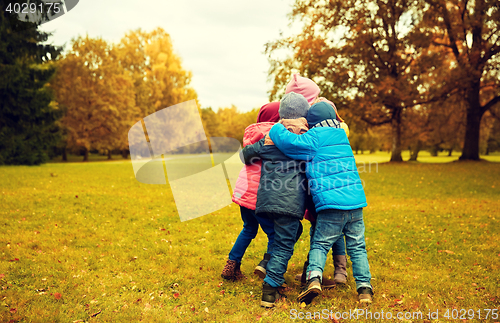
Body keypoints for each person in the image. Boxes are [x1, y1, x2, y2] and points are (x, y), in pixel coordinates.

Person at [268, 101, 373, 304]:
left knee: (320, 243)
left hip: (331, 205)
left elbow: (290, 143)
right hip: (356, 205)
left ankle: (313, 278)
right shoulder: (342, 136)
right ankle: (365, 289)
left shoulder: (313, 137)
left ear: (312, 122)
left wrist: (276, 127)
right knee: (358, 247)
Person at [241, 92, 312, 308]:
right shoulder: (306, 138)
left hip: (265, 201)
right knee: (283, 245)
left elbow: (246, 155)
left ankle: (268, 265)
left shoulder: (271, 135)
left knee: (291, 234)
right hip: (289, 203)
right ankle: (270, 289)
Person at [285, 74, 349, 285]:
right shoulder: (325, 112)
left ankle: (312, 274)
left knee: (319, 228)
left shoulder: (304, 121)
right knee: (332, 225)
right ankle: (338, 271)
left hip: (312, 182)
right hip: (332, 181)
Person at [221, 102, 280, 281]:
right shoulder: (276, 135)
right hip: (259, 195)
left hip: (243, 192)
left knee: (248, 228)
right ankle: (267, 266)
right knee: (274, 233)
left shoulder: (251, 134)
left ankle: (232, 264)